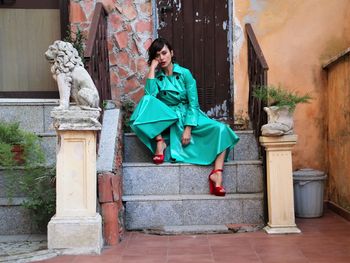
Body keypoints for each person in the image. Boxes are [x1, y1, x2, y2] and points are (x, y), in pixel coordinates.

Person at [130, 38, 239, 196]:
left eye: (164, 53)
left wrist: (188, 128)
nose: (162, 58)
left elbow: (193, 103)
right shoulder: (157, 77)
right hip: (168, 117)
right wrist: (152, 70)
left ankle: (217, 173)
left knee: (222, 129)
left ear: (171, 53)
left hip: (189, 115)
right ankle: (160, 142)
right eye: (157, 55)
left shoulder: (185, 74)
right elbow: (149, 98)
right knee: (146, 101)